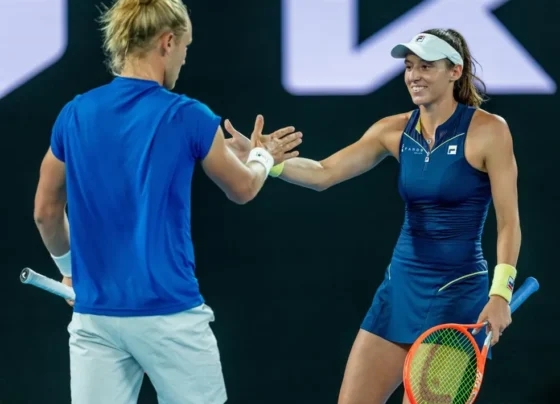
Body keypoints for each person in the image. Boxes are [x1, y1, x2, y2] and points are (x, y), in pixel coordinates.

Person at [224, 28, 521, 403]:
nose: (414, 76)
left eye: (426, 66)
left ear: (455, 71)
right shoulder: (392, 130)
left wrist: (500, 294)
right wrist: (264, 160)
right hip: (400, 289)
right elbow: (324, 173)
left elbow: (509, 223)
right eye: (409, 66)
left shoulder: (490, 131)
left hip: (457, 297)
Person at [32, 0, 302, 403]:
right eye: (185, 48)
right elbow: (244, 187)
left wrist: (71, 272)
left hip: (96, 317)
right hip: (170, 316)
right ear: (168, 41)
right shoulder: (188, 115)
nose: (184, 59)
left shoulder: (74, 114)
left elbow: (46, 212)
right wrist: (263, 157)